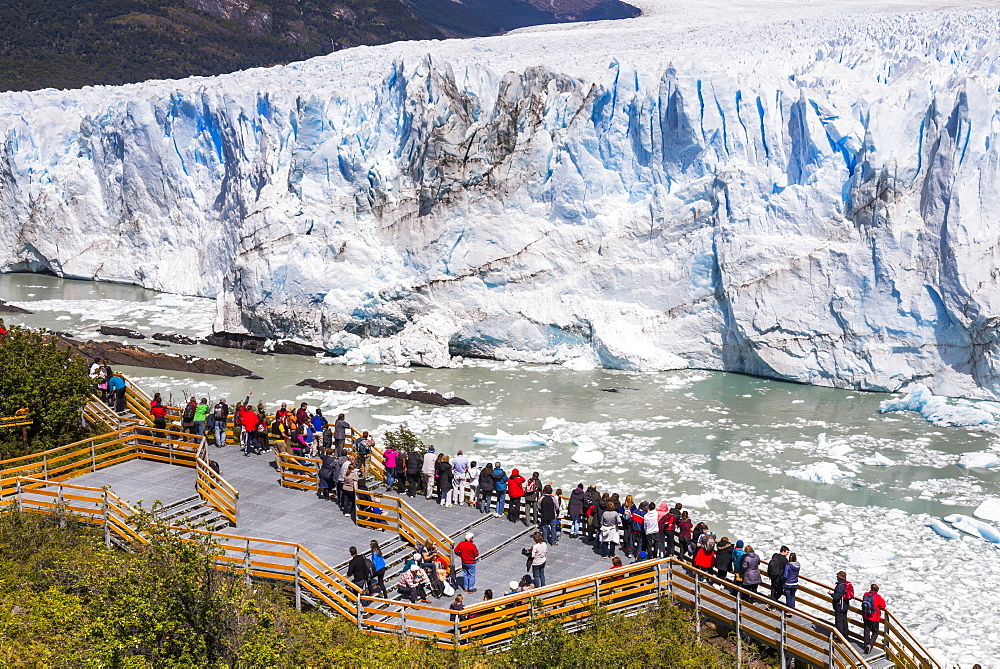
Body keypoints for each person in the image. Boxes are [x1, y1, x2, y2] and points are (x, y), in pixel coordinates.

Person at [862, 583, 887, 654]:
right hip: (874, 617)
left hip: (866, 615)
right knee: (875, 632)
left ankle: (866, 644)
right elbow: (883, 606)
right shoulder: (877, 597)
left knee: (866, 630)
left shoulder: (865, 594)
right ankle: (870, 644)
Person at [831, 571, 853, 640]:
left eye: (837, 577)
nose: (837, 578)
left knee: (839, 622)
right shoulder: (846, 584)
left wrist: (832, 594)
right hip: (845, 606)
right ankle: (845, 636)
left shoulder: (840, 586)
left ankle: (840, 637)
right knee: (844, 621)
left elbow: (837, 596)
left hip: (839, 606)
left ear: (840, 578)